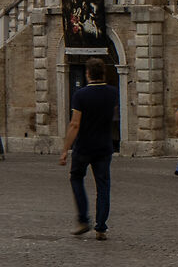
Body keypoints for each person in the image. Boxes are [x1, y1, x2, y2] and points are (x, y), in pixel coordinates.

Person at [59, 59, 117, 238]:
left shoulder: (81, 95)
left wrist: (64, 150)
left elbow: (75, 124)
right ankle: (101, 227)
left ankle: (83, 219)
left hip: (84, 146)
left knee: (76, 179)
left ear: (88, 74)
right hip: (104, 146)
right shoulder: (113, 93)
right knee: (103, 186)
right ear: (104, 74)